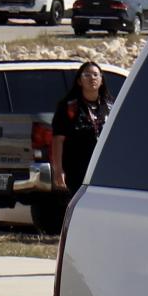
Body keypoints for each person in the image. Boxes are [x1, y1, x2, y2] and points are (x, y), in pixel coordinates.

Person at [49, 61, 110, 198]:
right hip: (77, 170)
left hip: (103, 170)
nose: (92, 78)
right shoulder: (69, 107)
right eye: (87, 75)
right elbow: (58, 139)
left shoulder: (110, 107)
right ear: (79, 81)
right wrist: (58, 170)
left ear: (101, 80)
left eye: (96, 75)